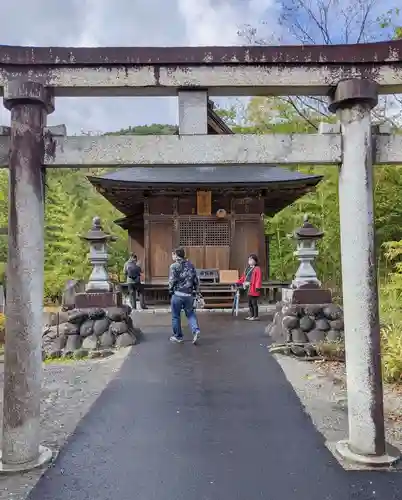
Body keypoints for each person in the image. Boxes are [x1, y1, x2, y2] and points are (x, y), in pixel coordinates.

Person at [168, 247, 201, 345]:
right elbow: (195, 280)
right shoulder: (191, 265)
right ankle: (195, 330)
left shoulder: (174, 266)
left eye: (173, 254)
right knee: (190, 314)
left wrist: (170, 290)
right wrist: (197, 291)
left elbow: (172, 281)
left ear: (175, 255)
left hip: (178, 294)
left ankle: (178, 336)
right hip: (189, 294)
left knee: (176, 316)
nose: (172, 256)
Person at [236, 253, 262, 321]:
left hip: (253, 287)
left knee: (254, 303)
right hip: (247, 287)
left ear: (255, 261)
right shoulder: (247, 269)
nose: (250, 261)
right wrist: (238, 282)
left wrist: (257, 287)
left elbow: (258, 278)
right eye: (249, 259)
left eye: (251, 259)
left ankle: (256, 316)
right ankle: (251, 315)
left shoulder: (257, 268)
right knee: (249, 303)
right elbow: (243, 277)